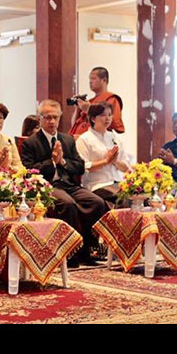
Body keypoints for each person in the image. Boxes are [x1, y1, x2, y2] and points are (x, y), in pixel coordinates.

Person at [21, 99, 107, 267]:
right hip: (46, 187)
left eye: (55, 117)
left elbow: (80, 166)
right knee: (68, 204)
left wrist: (63, 162)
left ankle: (88, 249)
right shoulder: (31, 143)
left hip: (68, 185)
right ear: (40, 119)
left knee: (96, 202)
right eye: (47, 117)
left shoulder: (67, 140)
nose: (52, 121)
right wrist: (52, 162)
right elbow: (29, 171)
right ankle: (70, 253)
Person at [75, 102, 131, 206]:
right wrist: (105, 161)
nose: (107, 118)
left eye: (110, 115)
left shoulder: (114, 137)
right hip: (97, 185)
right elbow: (83, 167)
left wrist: (115, 162)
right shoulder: (84, 139)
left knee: (140, 195)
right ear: (93, 118)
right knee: (124, 198)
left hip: (118, 182)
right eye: (103, 115)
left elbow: (126, 167)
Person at [69, 67, 125, 138]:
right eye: (90, 79)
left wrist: (89, 109)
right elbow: (74, 125)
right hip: (78, 139)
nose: (90, 82)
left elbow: (113, 123)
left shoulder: (111, 99)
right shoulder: (90, 101)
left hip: (95, 140)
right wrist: (77, 109)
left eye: (93, 78)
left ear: (104, 80)